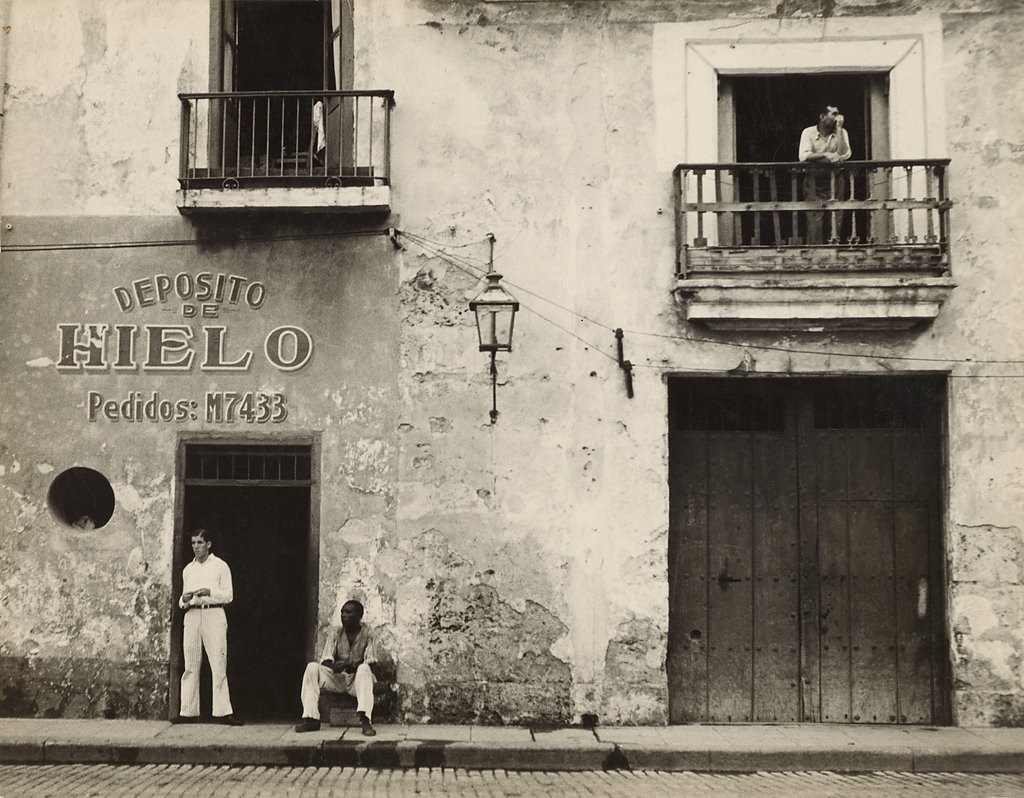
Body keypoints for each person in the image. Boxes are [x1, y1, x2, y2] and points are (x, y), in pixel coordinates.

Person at [171, 528, 243, 726]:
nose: (196, 547)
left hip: (214, 613)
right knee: (191, 664)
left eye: (200, 543)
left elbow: (228, 595)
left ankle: (222, 712)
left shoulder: (220, 566)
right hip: (193, 615)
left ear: (209, 544)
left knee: (218, 663)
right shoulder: (188, 569)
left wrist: (209, 592)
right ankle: (188, 711)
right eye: (193, 543)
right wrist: (183, 600)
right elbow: (182, 601)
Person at [295, 599, 378, 736]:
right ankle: (311, 719)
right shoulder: (336, 633)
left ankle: (365, 721)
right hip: (338, 678)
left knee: (364, 669)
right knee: (312, 667)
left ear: (359, 616)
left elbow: (372, 662)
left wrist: (355, 666)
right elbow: (326, 661)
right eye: (342, 612)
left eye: (348, 612)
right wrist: (337, 666)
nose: (343, 615)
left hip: (357, 680)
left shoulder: (369, 633)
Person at [798, 104, 852, 244]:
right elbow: (803, 156)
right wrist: (826, 155)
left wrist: (839, 129)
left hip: (836, 182)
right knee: (814, 221)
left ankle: (833, 253)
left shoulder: (842, 132)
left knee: (835, 219)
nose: (838, 118)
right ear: (822, 117)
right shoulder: (808, 132)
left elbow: (844, 154)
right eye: (833, 114)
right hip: (814, 182)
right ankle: (816, 255)